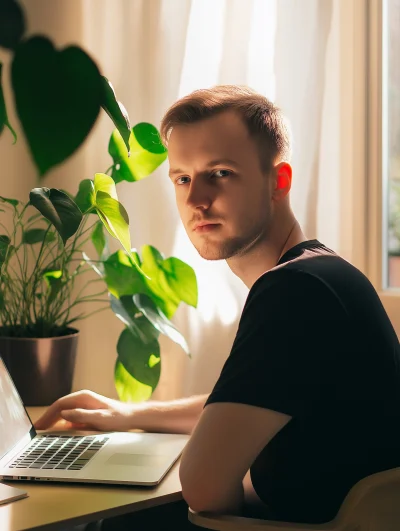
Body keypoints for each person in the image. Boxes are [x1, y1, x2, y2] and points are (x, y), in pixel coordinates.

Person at [35, 85, 400, 528]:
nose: (195, 200)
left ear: (278, 181)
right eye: (183, 178)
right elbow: (248, 402)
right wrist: (125, 414)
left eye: (220, 173)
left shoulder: (293, 291)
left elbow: (205, 487)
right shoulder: (322, 274)